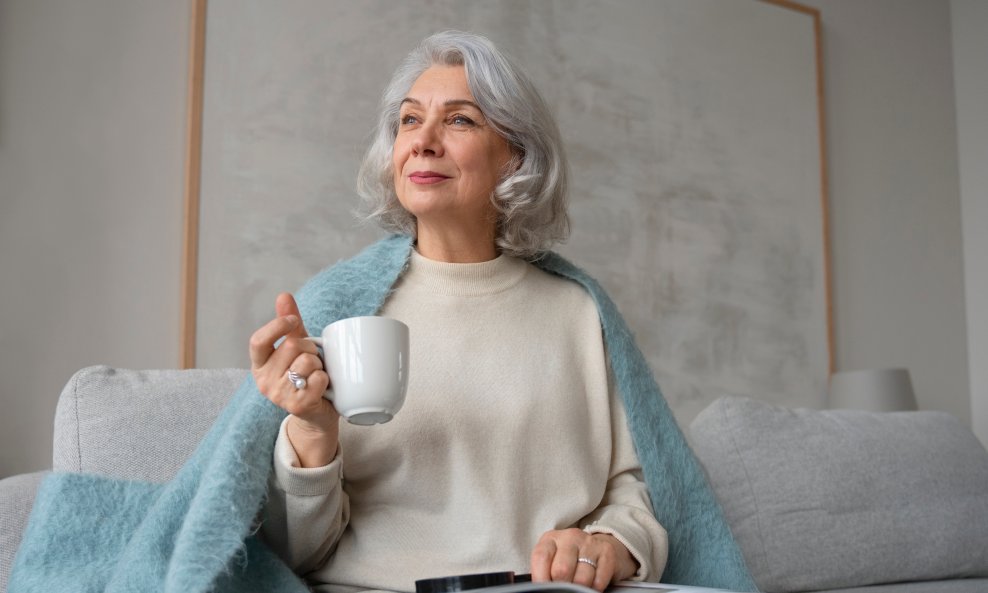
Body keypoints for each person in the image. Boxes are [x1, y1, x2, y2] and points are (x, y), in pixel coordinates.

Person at [250, 30, 668, 593]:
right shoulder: (337, 313)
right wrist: (311, 430)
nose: (422, 141)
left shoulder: (579, 313)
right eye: (408, 120)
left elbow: (635, 489)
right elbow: (288, 556)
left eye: (460, 120)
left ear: (514, 156)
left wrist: (609, 544)